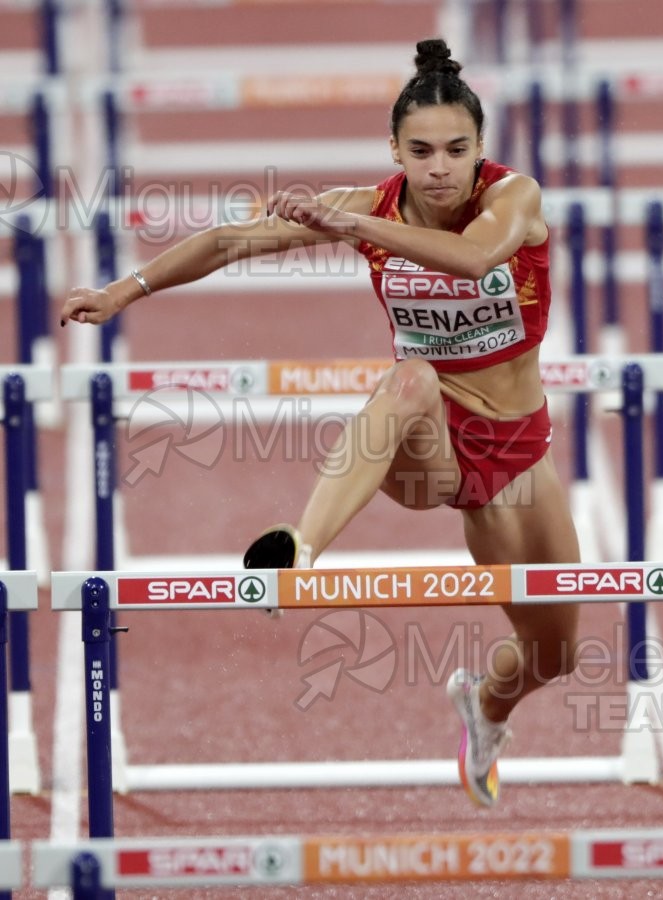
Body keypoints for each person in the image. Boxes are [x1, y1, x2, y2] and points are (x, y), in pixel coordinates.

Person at [61, 38, 580, 809]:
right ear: (394, 149)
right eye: (421, 151)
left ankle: (485, 706)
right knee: (410, 377)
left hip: (518, 452)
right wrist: (122, 289)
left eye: (456, 150)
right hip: (428, 443)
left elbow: (471, 262)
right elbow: (231, 241)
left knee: (554, 653)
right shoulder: (364, 207)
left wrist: (355, 233)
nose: (439, 168)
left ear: (482, 148)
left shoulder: (513, 200)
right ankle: (297, 551)